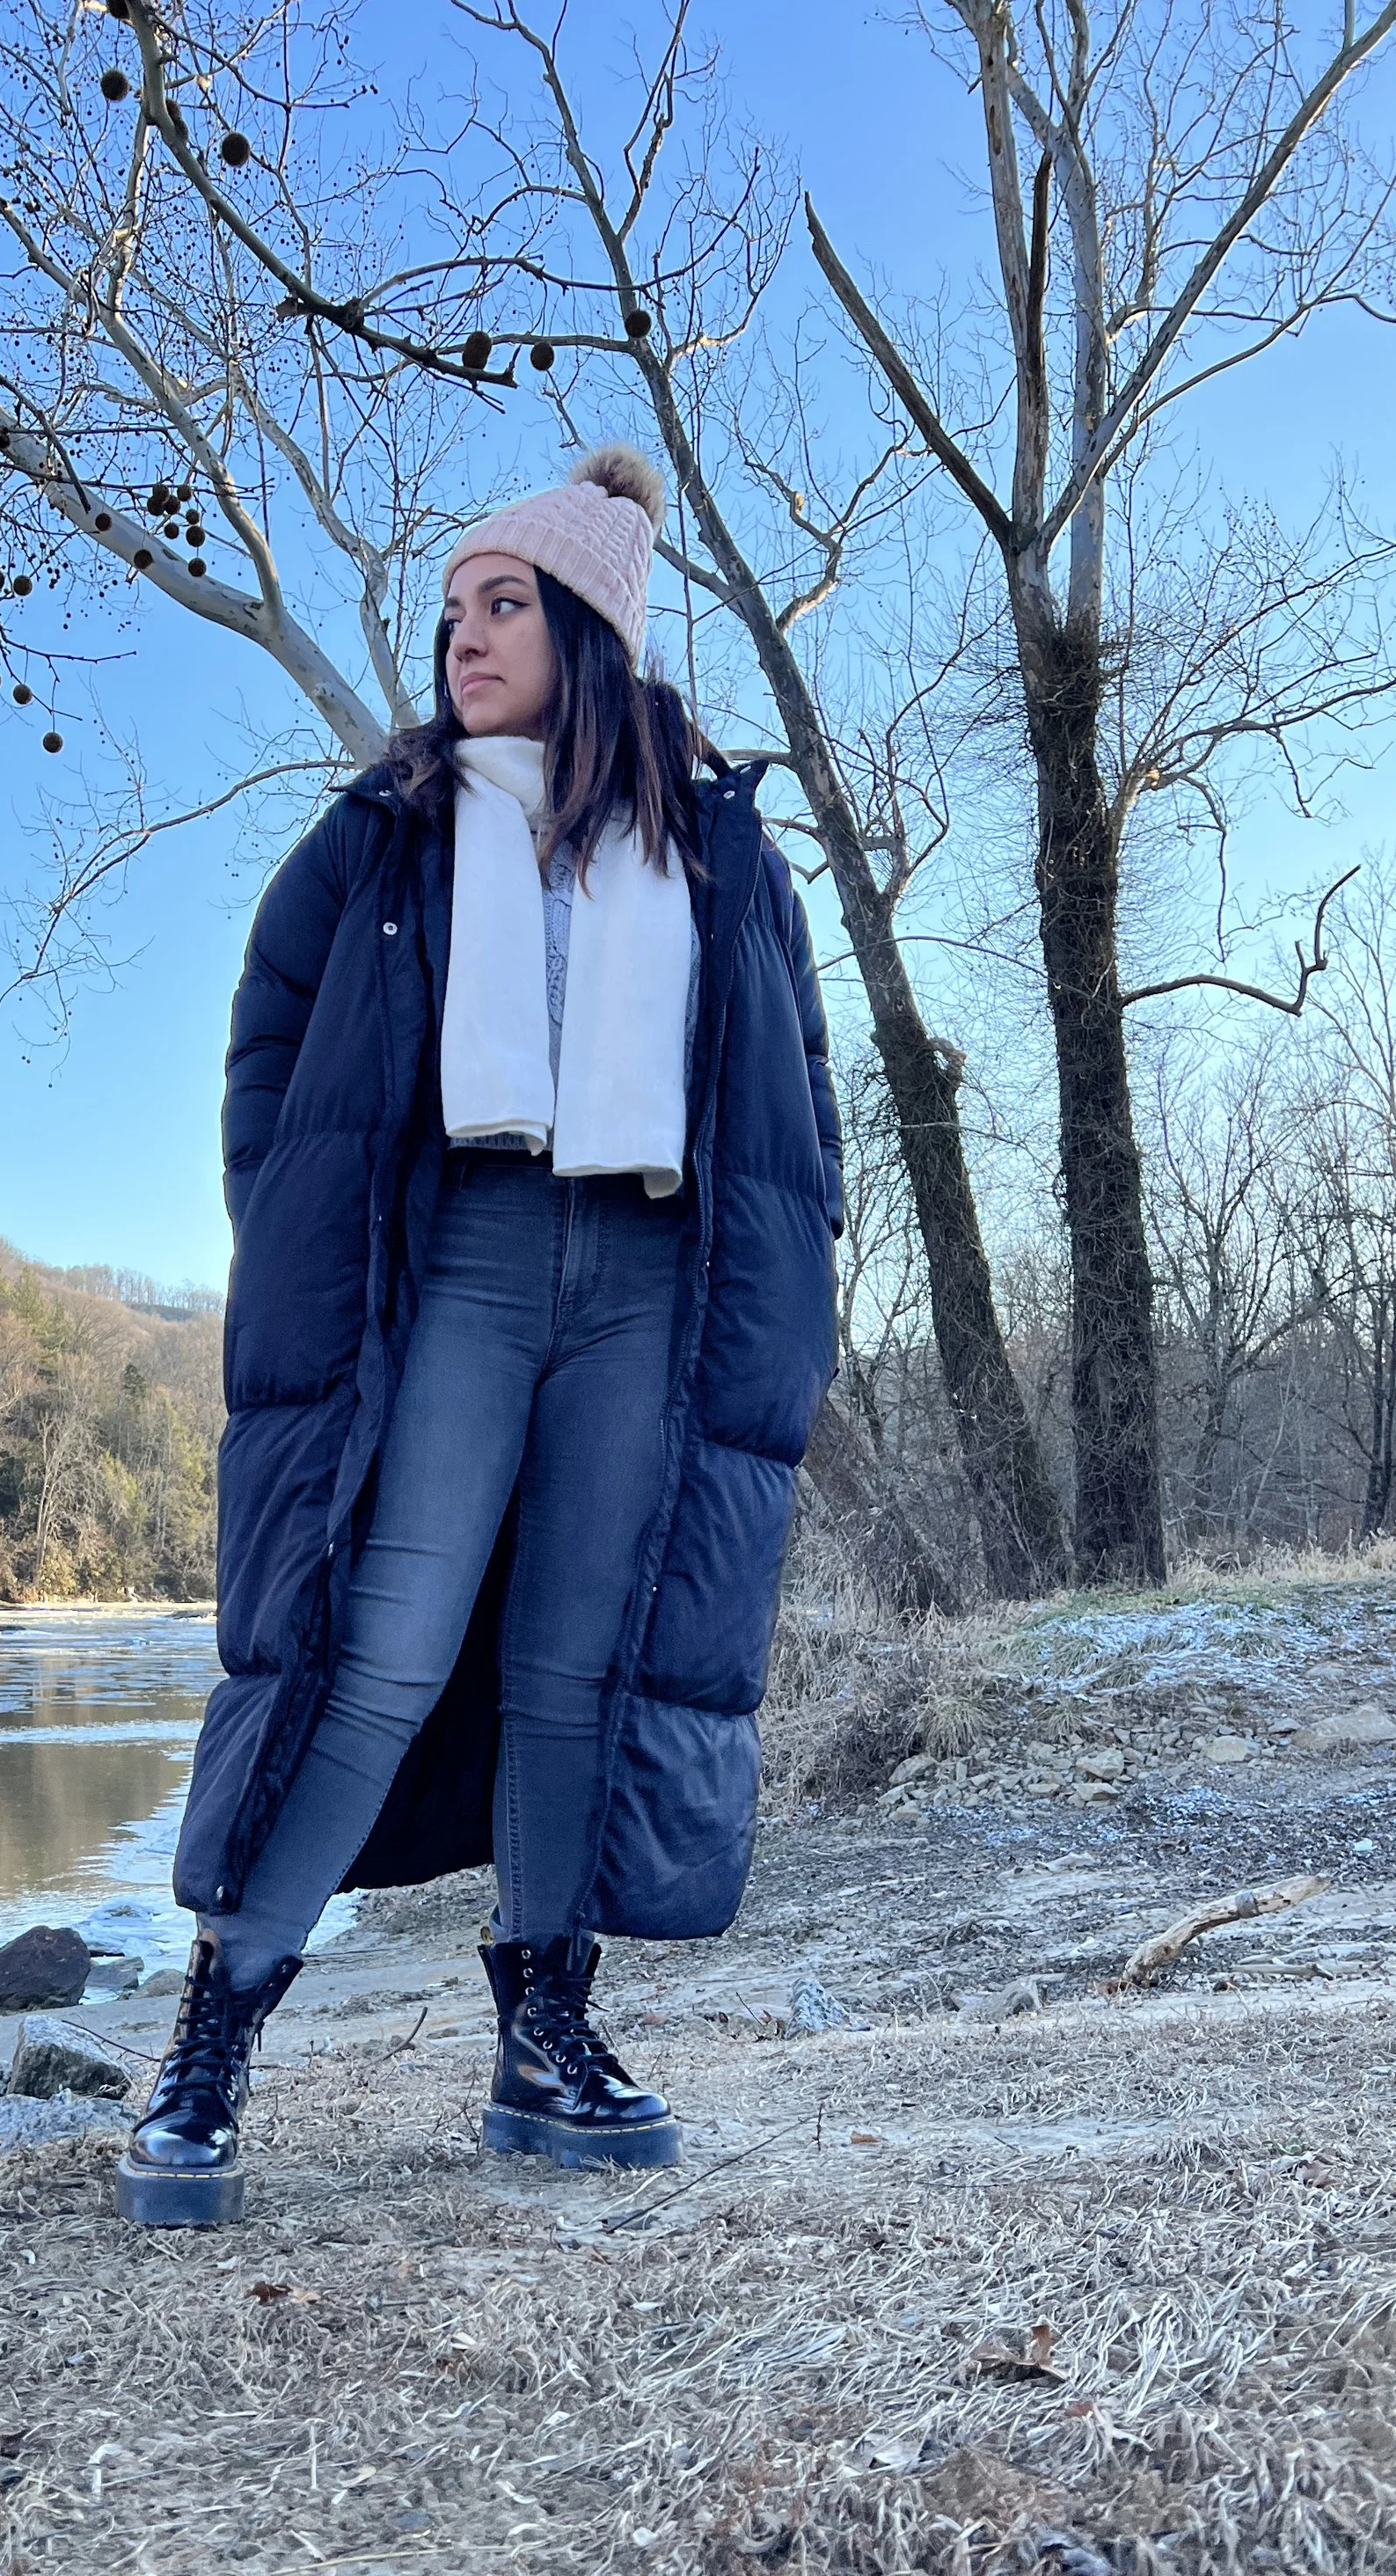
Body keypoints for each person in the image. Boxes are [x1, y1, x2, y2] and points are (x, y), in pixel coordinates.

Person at [115, 444, 844, 2228]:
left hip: (647, 1286)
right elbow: (268, 1052)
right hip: (467, 1257)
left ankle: (540, 2038)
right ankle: (216, 2028)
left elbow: (792, 1114)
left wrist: (782, 1288)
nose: (463, 636)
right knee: (373, 1652)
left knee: (571, 1671)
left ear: (587, 626)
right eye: (453, 609)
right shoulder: (386, 831)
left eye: (500, 603)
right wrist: (295, 1228)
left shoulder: (718, 846)